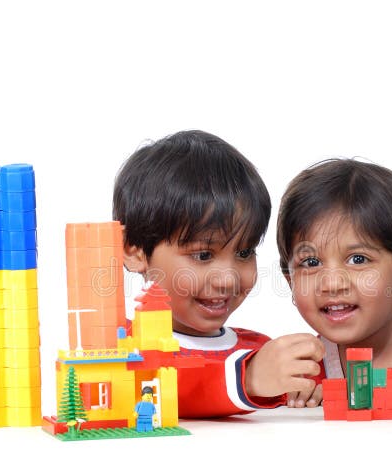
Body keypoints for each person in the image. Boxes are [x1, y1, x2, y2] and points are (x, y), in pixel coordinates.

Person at [113, 130, 324, 418]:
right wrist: (247, 380)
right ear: (134, 250)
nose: (227, 279)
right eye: (202, 255)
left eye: (244, 253)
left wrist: (309, 387)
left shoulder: (259, 351)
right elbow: (159, 388)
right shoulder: (116, 348)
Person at [276, 158, 392, 408]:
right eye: (311, 263)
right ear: (291, 280)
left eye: (358, 259)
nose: (332, 284)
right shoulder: (307, 371)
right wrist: (308, 401)